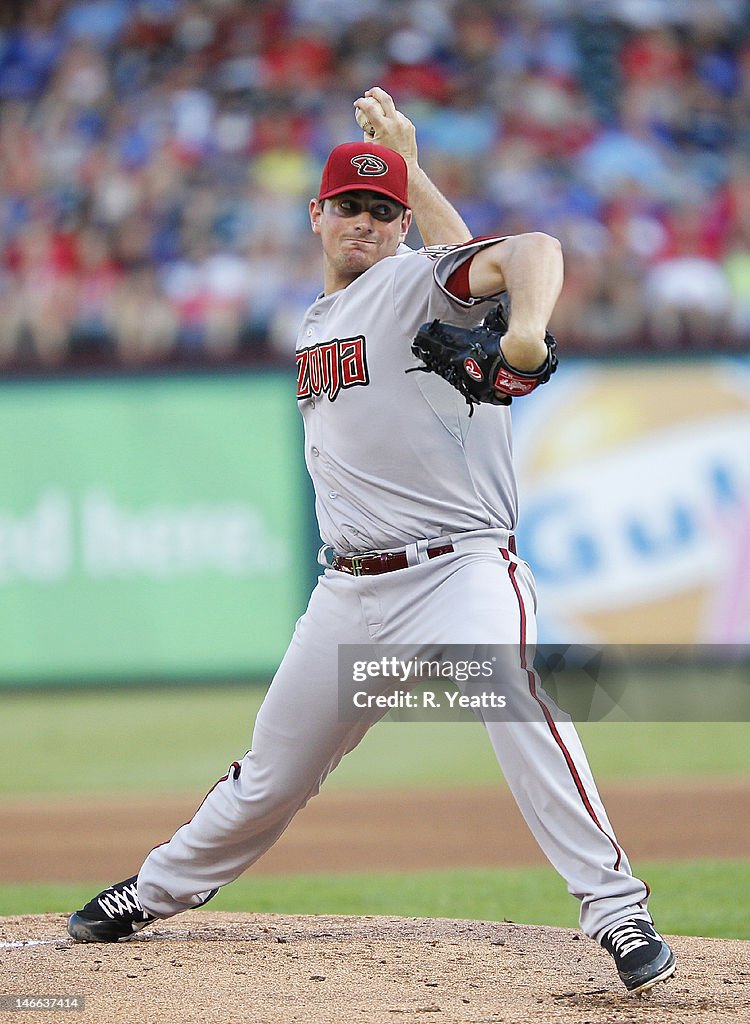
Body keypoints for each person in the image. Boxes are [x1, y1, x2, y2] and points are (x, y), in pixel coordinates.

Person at [67, 89, 675, 996]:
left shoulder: (408, 279)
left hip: (459, 568)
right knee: (272, 774)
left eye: (383, 210)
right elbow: (465, 257)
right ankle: (153, 891)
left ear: (399, 226)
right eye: (350, 205)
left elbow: (531, 252)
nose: (366, 220)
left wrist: (521, 330)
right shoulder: (313, 322)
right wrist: (417, 181)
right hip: (352, 595)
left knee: (514, 691)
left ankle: (618, 911)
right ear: (317, 215)